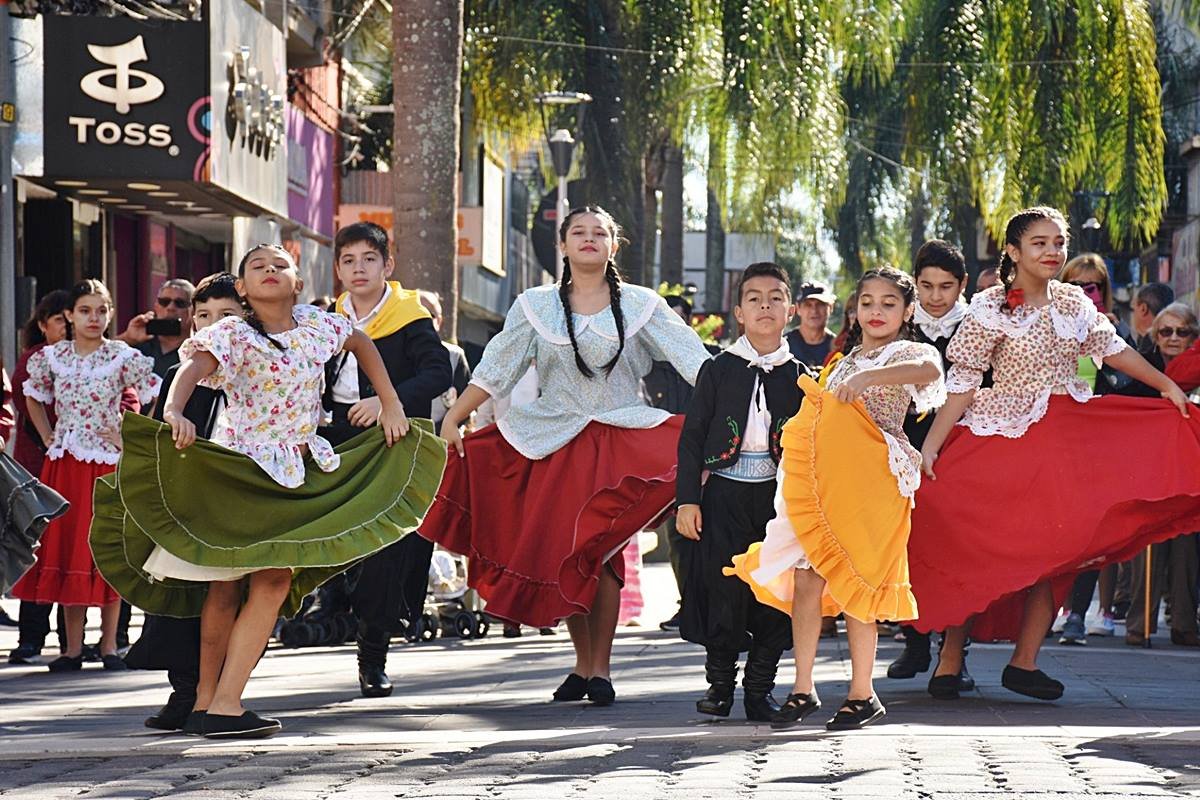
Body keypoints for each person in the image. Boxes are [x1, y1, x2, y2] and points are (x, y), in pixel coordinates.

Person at [92, 243, 444, 739]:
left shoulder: (321, 326)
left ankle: (217, 701)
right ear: (242, 287)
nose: (270, 270)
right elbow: (189, 372)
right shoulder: (232, 331)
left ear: (297, 281)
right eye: (258, 266)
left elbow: (362, 343)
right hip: (242, 469)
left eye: (280, 265)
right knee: (229, 585)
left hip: (297, 468)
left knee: (266, 581)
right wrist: (172, 412)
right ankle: (216, 702)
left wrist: (389, 403)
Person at [421, 206, 710, 706]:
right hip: (555, 440)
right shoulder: (534, 304)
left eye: (601, 232)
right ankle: (583, 665)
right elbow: (498, 369)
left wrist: (733, 412)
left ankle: (601, 669)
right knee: (570, 553)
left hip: (623, 438)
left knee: (602, 553)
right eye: (579, 232)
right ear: (563, 245)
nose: (590, 239)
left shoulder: (642, 304)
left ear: (614, 246)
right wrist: (454, 416)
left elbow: (696, 362)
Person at [913, 207, 1200, 701]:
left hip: (1066, 440)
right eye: (1040, 243)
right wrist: (933, 445)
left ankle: (1024, 663)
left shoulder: (1072, 302)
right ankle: (950, 659)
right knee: (978, 547)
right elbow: (960, 385)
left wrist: (1165, 385)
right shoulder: (995, 305)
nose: (1052, 252)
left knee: (1057, 547)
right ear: (1013, 252)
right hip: (1001, 435)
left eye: (1057, 243)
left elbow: (1113, 351)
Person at [727, 267, 944, 730]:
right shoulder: (841, 360)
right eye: (867, 302)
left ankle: (862, 694)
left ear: (908, 311)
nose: (877, 311)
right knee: (808, 578)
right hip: (828, 484)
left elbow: (929, 371)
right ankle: (803, 688)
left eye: (889, 303)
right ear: (855, 309)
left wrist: (870, 380)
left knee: (857, 581)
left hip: (875, 482)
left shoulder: (909, 351)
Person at [322, 223, 452, 698]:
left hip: (391, 442)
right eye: (349, 261)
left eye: (369, 259)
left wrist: (385, 401)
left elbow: (438, 372)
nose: (359, 269)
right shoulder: (323, 319)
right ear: (337, 269)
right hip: (331, 440)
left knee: (387, 548)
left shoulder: (407, 315)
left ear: (387, 265)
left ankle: (372, 653)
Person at [11, 280, 161, 672]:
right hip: (63, 462)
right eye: (85, 310)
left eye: (101, 310)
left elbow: (154, 393)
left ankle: (109, 646)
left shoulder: (122, 356)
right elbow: (32, 394)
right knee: (68, 547)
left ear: (110, 314)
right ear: (70, 316)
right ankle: (71, 649)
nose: (93, 318)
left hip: (108, 461)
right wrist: (46, 434)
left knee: (106, 547)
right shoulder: (53, 356)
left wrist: (130, 433)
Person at [676, 262, 800, 722]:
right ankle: (720, 688)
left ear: (789, 309)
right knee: (724, 586)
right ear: (739, 312)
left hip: (778, 500)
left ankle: (760, 690)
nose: (765, 305)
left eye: (775, 297)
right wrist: (688, 499)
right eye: (754, 298)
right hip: (723, 495)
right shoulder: (718, 370)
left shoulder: (801, 377)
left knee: (773, 592)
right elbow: (692, 437)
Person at [122, 272, 243, 733]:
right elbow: (158, 431)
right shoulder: (180, 374)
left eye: (227, 315)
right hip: (187, 501)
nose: (213, 324)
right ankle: (184, 689)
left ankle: (220, 692)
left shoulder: (256, 370)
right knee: (179, 598)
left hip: (238, 500)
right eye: (204, 316)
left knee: (229, 596)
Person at [887, 240, 977, 694]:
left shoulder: (980, 324)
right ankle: (915, 639)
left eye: (946, 286)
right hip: (904, 448)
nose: (936, 296)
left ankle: (953, 655)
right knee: (908, 544)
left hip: (965, 448)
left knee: (960, 550)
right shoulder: (899, 322)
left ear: (962, 285)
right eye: (926, 285)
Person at [1054, 253, 1128, 645]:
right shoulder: (1050, 322)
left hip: (1100, 444)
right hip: (1056, 439)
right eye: (1080, 285)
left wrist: (1105, 344)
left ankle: (1080, 614)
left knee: (1093, 535)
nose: (1088, 292)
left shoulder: (1117, 329)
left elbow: (1117, 384)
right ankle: (1054, 610)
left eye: (1095, 285)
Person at [1124, 303, 1199, 648]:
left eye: (1181, 332)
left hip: (1189, 473)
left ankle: (1185, 624)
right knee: (1146, 546)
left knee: (1186, 550)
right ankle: (1140, 624)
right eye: (1165, 331)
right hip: (1148, 469)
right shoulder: (1144, 367)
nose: (1172, 338)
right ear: (1155, 335)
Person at [7, 291, 69, 665]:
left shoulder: (97, 358)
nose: (65, 325)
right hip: (38, 466)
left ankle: (72, 639)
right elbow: (24, 402)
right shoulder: (34, 360)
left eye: (69, 317)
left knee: (73, 548)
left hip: (82, 465)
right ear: (42, 325)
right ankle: (31, 635)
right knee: (38, 547)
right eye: (57, 319)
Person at [643, 293, 703, 632]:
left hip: (709, 463)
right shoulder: (646, 366)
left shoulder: (708, 361)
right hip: (665, 466)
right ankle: (688, 604)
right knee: (678, 539)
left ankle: (708, 604)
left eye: (678, 318)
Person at [417, 289, 471, 431]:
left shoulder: (455, 356)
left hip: (441, 443)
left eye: (428, 315)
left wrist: (441, 431)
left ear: (439, 321)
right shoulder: (391, 353)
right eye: (415, 314)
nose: (420, 321)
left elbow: (466, 404)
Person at [786, 281, 837, 369]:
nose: (814, 311)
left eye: (820, 304)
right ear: (798, 308)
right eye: (808, 305)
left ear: (831, 307)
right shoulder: (784, 346)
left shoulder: (839, 347)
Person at [1130, 283, 1174, 352]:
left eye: (1133, 309)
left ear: (1143, 309)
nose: (1133, 314)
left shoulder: (1150, 347)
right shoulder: (1176, 340)